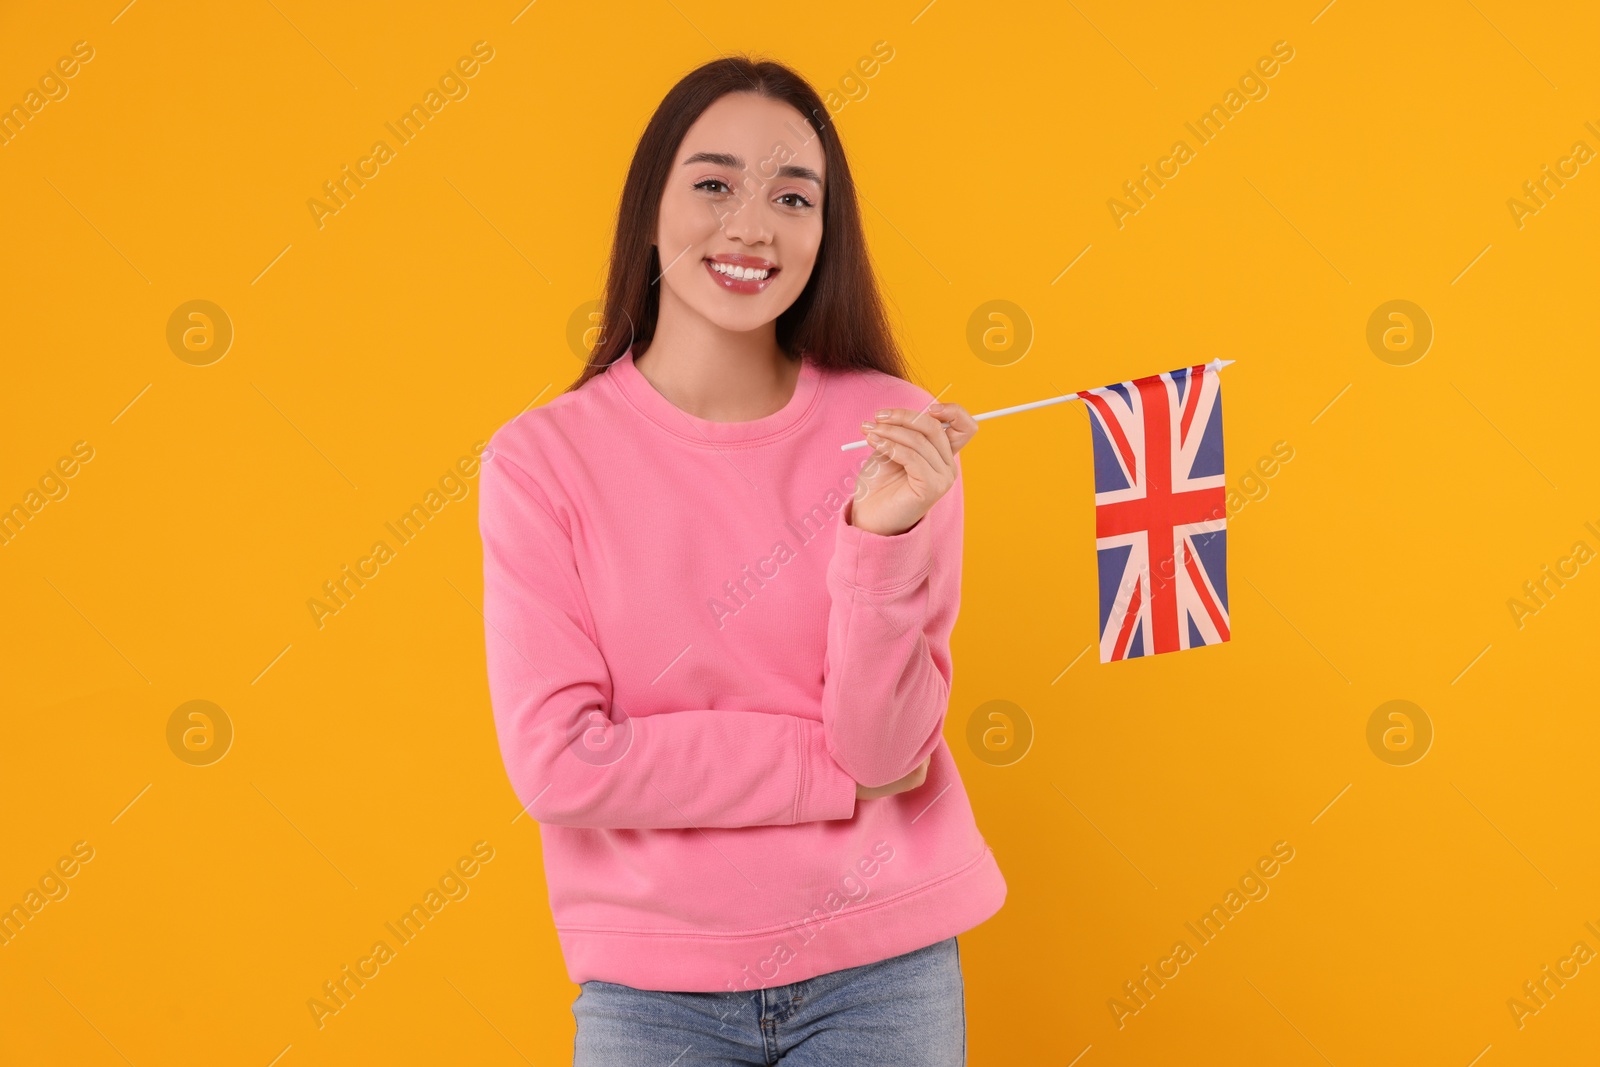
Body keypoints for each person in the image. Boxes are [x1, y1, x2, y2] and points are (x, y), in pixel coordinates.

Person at [477, 54, 1007, 1066]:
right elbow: (557, 758)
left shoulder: (893, 429)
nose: (751, 224)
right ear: (650, 210)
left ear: (824, 231)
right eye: (714, 183)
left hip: (883, 970)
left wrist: (879, 539)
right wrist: (821, 767)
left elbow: (888, 744)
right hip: (650, 990)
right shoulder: (540, 460)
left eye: (792, 195)